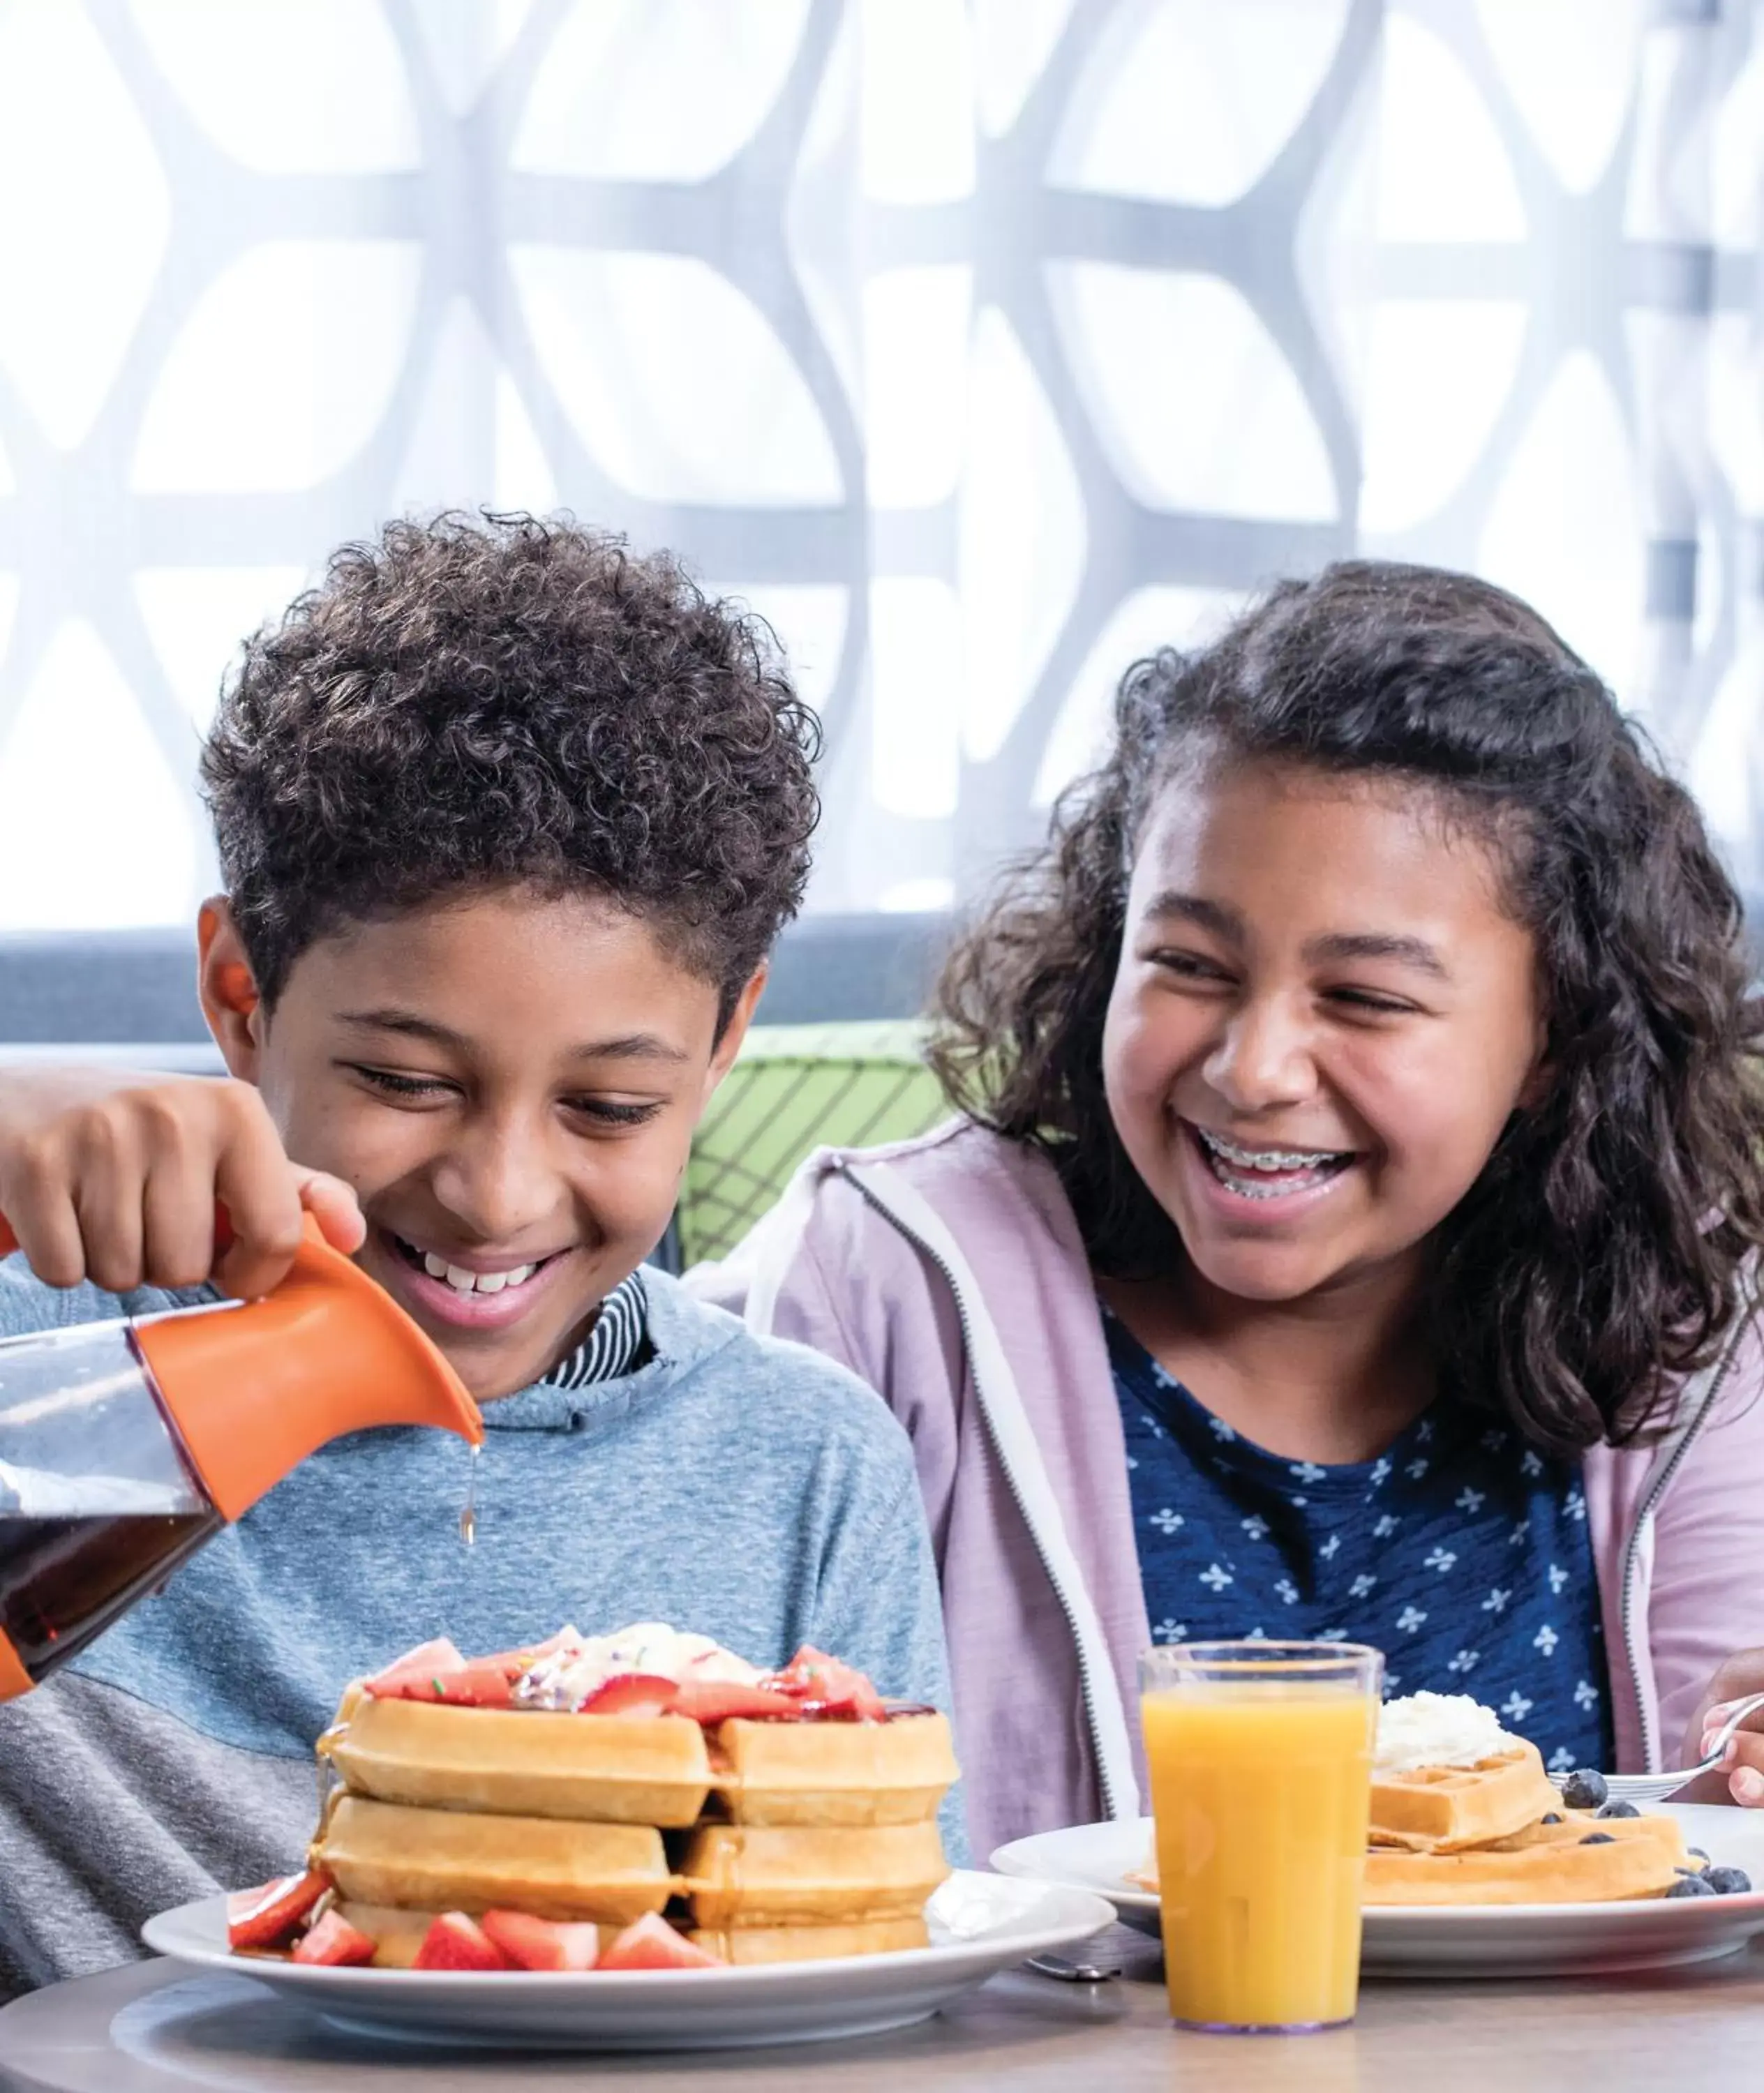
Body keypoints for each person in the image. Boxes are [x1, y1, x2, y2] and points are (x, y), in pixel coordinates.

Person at [0, 513, 954, 2000]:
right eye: (405, 1082)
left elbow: (866, 1964)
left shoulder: (802, 1466)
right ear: (241, 997)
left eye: (610, 1107)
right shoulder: (41, 1368)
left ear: (726, 1044)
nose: (499, 1195)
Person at [694, 562, 1764, 1858]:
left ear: (1555, 1038)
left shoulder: (1692, 1333)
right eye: (1190, 967)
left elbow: (1716, 1847)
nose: (1253, 1071)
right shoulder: (881, 1291)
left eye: (1364, 998)